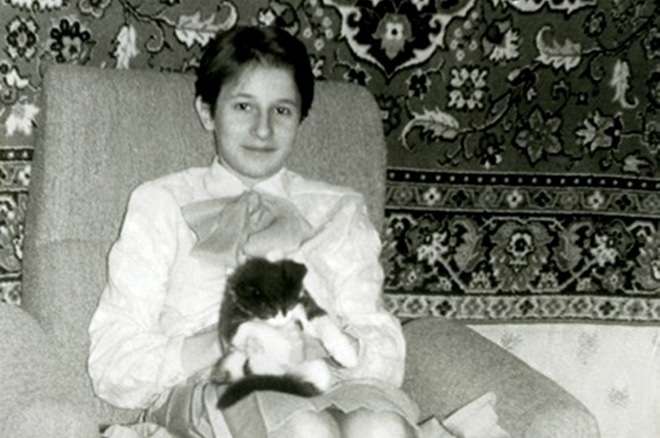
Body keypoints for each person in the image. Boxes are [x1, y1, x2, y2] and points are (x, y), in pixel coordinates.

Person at [88, 25, 419, 438]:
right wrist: (225, 339)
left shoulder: (338, 209)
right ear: (208, 112)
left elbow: (382, 343)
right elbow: (111, 362)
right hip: (212, 385)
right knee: (305, 430)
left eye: (282, 111)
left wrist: (322, 345)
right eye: (244, 106)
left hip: (327, 379)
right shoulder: (161, 202)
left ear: (300, 118)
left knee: (383, 428)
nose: (263, 130)